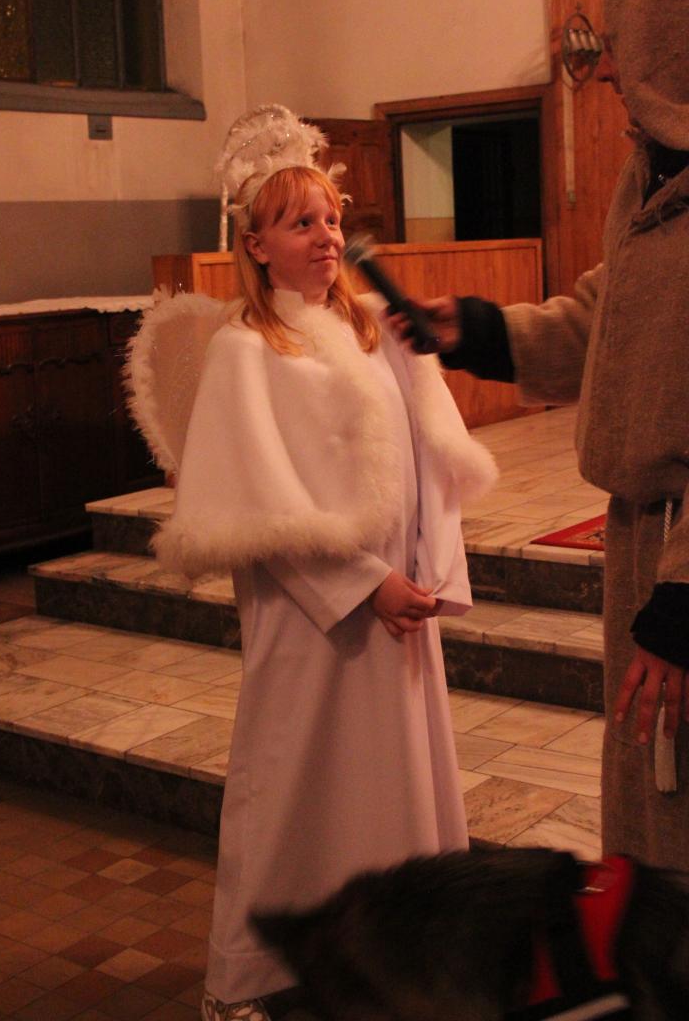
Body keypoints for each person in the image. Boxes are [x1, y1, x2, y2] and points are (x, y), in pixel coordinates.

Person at [128, 104, 497, 1021]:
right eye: (302, 222)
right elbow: (257, 510)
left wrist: (428, 573)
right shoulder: (247, 352)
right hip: (314, 620)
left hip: (398, 606)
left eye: (332, 217)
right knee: (296, 793)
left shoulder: (376, 331)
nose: (328, 235)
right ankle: (251, 981)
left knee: (397, 789)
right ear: (256, 245)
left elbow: (432, 459)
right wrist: (366, 585)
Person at [394, 0, 689, 873]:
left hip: (684, 559)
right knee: (655, 795)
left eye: (627, 46)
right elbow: (601, 316)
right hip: (645, 545)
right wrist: (475, 332)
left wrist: (682, 606)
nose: (608, 75)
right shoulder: (652, 179)